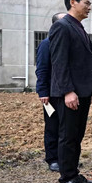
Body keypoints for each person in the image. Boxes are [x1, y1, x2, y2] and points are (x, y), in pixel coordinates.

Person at [49, 0, 92, 183]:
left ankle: (73, 171)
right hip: (70, 93)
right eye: (86, 3)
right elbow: (59, 62)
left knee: (76, 135)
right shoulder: (62, 27)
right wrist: (68, 91)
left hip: (82, 92)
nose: (89, 7)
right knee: (68, 136)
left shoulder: (77, 27)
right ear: (73, 2)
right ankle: (66, 178)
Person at [35, 12, 66, 172]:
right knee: (53, 126)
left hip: (66, 93)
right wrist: (42, 92)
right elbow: (42, 69)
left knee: (66, 128)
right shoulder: (47, 44)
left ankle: (65, 159)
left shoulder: (66, 43)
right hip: (51, 95)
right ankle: (53, 158)